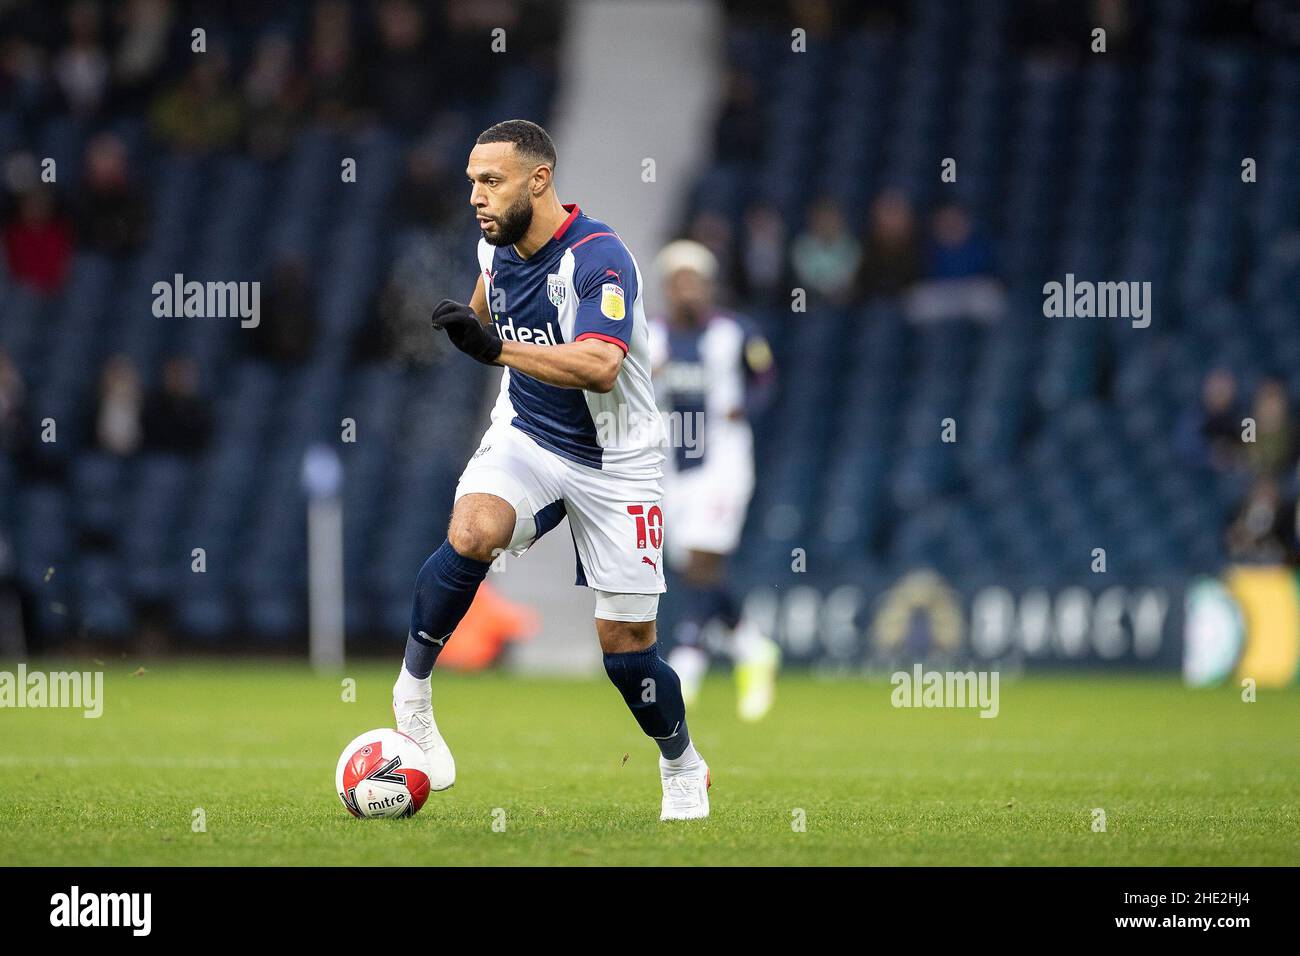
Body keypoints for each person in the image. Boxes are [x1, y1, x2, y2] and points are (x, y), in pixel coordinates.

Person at [394, 120, 710, 820]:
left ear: (538, 180)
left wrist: (496, 349)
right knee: (473, 532)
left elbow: (600, 366)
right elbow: (485, 312)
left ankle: (683, 763)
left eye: (491, 180)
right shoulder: (493, 244)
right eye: (472, 181)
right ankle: (412, 692)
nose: (476, 195)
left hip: (619, 461)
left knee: (626, 656)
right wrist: (473, 328)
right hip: (529, 433)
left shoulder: (601, 258)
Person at [648, 239, 780, 721]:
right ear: (667, 287)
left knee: (703, 558)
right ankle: (752, 646)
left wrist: (745, 409)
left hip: (724, 461)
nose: (687, 290)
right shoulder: (647, 337)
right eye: (678, 281)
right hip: (668, 467)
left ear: (707, 285)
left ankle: (687, 661)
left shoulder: (736, 331)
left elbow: (765, 378)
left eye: (694, 280)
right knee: (693, 568)